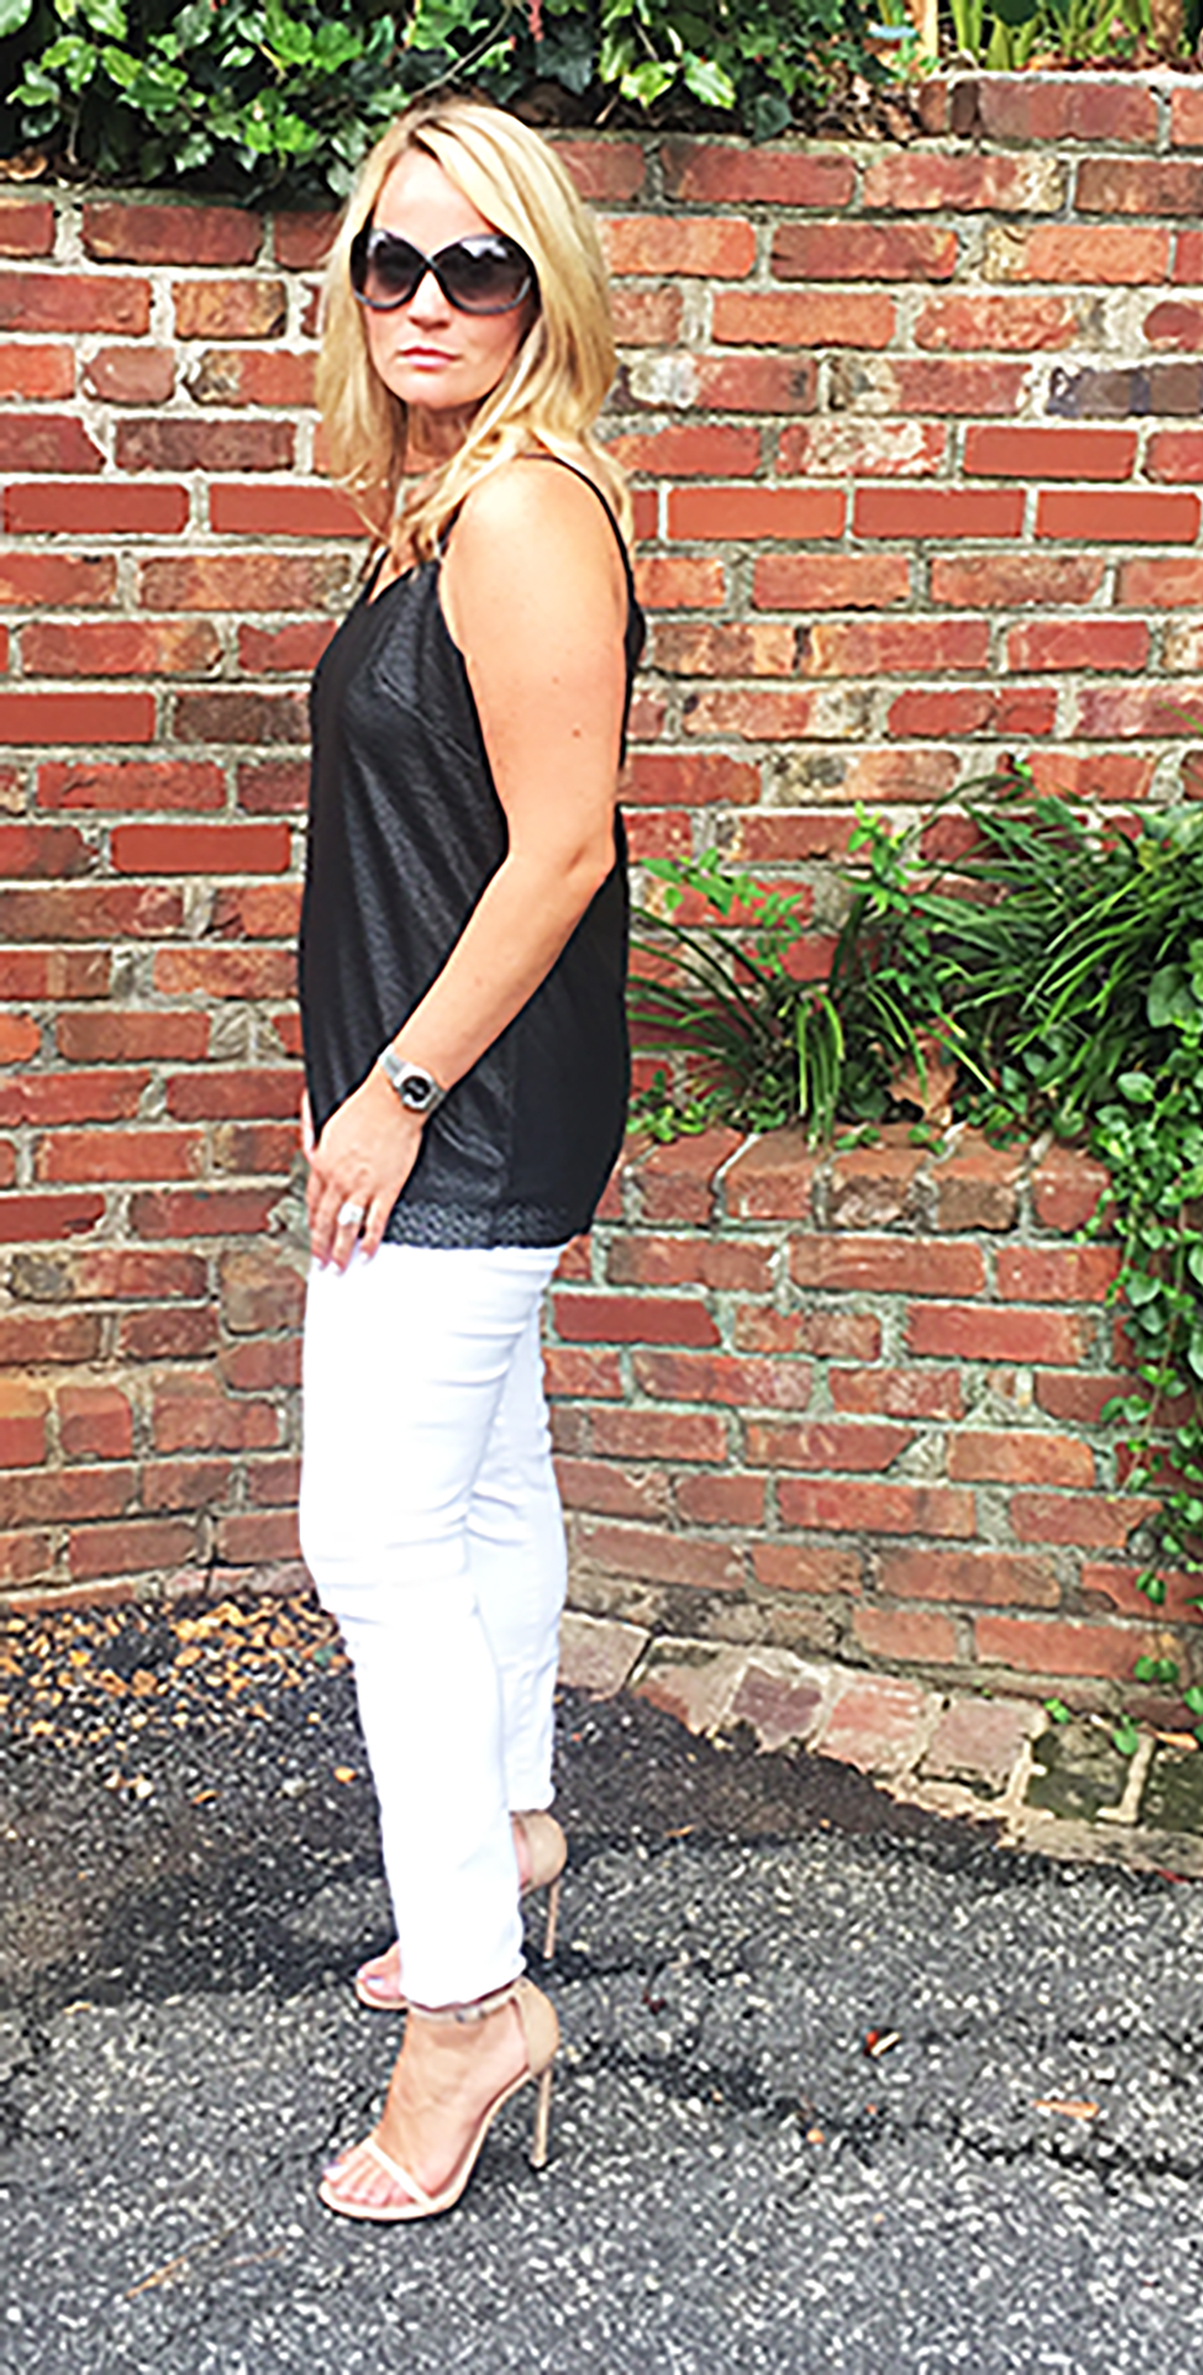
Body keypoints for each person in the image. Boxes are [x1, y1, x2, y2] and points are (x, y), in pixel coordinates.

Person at [294, 93, 644, 2223]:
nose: (427, 301)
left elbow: (563, 852)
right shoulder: (439, 498)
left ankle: (470, 2017)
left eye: (477, 267)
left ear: (542, 292)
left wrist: (396, 1095)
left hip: (462, 1105)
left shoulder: (519, 513)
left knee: (373, 1545)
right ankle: (505, 1836)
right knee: (487, 1480)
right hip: (457, 1088)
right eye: (392, 262)